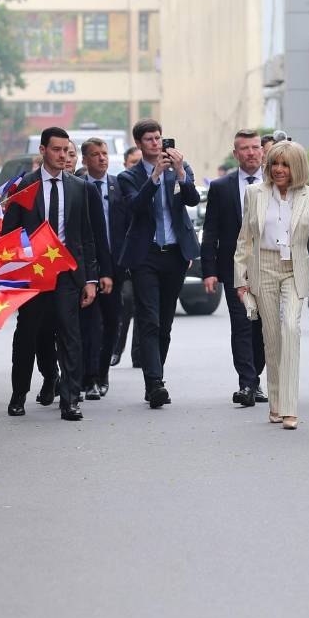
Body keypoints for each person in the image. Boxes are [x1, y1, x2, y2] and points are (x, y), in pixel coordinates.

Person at [5, 127, 100, 420]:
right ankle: (19, 394)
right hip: (33, 273)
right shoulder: (24, 187)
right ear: (43, 151)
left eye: (66, 150)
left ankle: (70, 400)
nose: (62, 156)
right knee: (28, 335)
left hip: (66, 273)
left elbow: (85, 237)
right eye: (56, 150)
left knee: (70, 335)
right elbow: (11, 233)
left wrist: (90, 280)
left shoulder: (79, 187)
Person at [233, 141, 309, 429]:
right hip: (263, 268)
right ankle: (276, 405)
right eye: (274, 163)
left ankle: (290, 409)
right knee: (271, 339)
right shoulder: (254, 193)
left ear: (297, 167)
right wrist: (241, 280)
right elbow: (244, 239)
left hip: (294, 269)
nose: (278, 169)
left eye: (286, 164)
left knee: (290, 329)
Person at [117, 119, 201, 409]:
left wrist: (179, 172)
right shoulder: (128, 176)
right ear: (139, 144)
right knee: (148, 320)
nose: (156, 143)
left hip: (175, 254)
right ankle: (155, 384)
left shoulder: (181, 169)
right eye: (149, 139)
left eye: (158, 138)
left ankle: (156, 377)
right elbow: (135, 207)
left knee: (165, 323)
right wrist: (154, 176)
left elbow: (191, 200)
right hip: (146, 255)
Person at [201, 129, 268, 406]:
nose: (251, 153)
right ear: (235, 153)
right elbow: (211, 230)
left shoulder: (276, 181)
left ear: (262, 151)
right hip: (233, 269)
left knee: (264, 328)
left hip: (269, 267)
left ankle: (257, 377)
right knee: (241, 325)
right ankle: (247, 384)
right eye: (245, 148)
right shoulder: (221, 186)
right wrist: (209, 270)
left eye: (255, 147)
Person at [79, 138, 126, 399]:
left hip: (114, 266)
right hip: (86, 265)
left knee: (111, 323)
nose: (102, 158)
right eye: (95, 155)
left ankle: (103, 373)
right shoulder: (77, 186)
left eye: (105, 153)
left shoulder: (118, 186)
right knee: (89, 324)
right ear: (85, 160)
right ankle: (89, 377)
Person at [112, 145, 143, 368]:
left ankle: (139, 355)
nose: (138, 166)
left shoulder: (158, 183)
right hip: (123, 257)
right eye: (134, 162)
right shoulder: (119, 187)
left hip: (147, 256)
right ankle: (116, 349)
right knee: (127, 301)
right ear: (126, 165)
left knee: (145, 306)